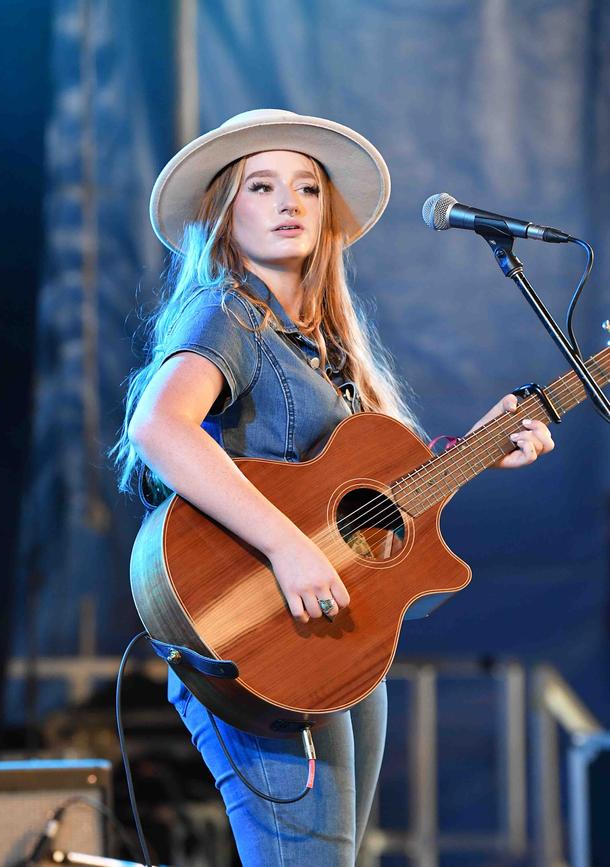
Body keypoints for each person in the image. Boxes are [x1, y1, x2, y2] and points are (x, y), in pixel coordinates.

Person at [113, 109, 554, 865]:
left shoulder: (327, 350)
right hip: (256, 630)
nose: (289, 204)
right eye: (262, 186)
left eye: (308, 189)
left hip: (337, 635)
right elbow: (160, 426)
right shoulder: (228, 311)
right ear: (225, 211)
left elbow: (365, 503)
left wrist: (479, 447)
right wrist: (287, 548)